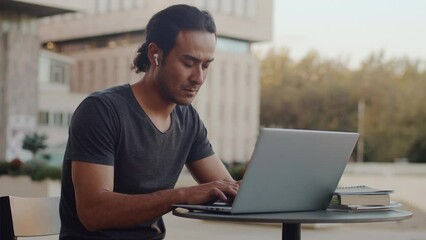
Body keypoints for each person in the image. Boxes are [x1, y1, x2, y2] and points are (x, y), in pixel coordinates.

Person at [59, 4, 240, 240]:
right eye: (188, 63)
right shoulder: (102, 111)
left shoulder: (188, 119)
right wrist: (180, 195)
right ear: (156, 54)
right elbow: (93, 212)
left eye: (205, 65)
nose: (199, 78)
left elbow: (226, 188)